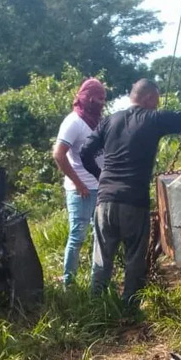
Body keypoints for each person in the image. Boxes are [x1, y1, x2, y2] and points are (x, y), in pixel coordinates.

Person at [80, 78, 181, 306]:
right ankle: (129, 309)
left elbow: (85, 152)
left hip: (104, 202)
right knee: (134, 260)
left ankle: (95, 309)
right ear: (148, 98)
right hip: (133, 203)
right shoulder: (153, 119)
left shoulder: (109, 121)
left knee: (101, 260)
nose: (157, 105)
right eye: (156, 101)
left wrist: (101, 177)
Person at [53, 78, 107, 287]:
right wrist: (78, 184)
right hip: (81, 190)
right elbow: (59, 155)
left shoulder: (96, 121)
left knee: (99, 235)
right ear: (86, 98)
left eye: (103, 99)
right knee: (77, 235)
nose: (101, 104)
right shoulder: (73, 122)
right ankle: (69, 283)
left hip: (99, 187)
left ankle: (98, 280)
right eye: (97, 99)